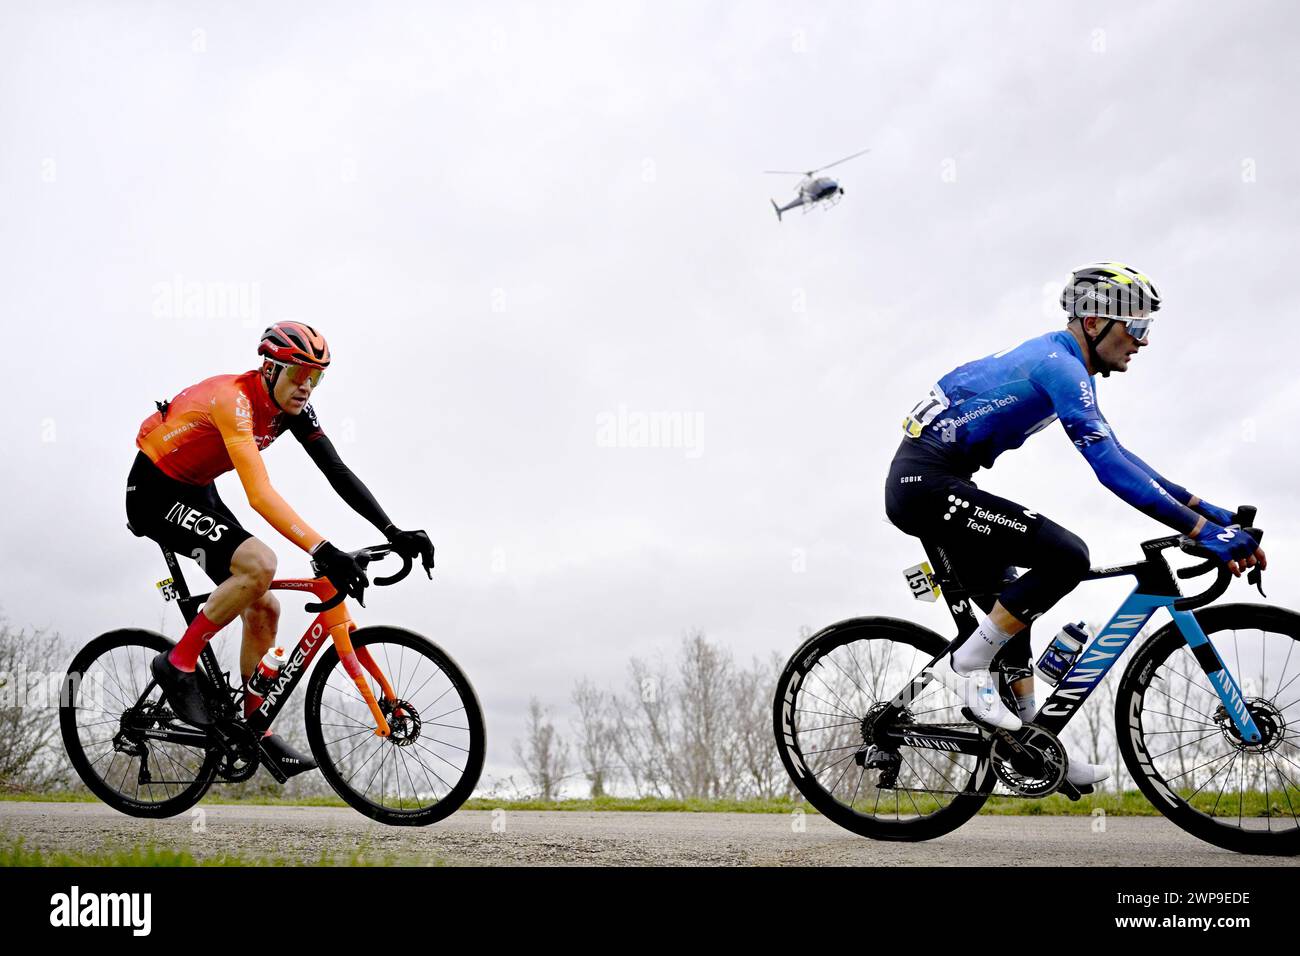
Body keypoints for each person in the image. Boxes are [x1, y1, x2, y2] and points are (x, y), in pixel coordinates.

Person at [884, 262, 1265, 787]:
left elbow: (1122, 456)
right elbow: (1107, 468)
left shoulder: (1062, 361)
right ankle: (966, 668)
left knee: (1014, 604)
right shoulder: (1059, 365)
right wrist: (1202, 533)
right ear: (1093, 323)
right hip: (925, 486)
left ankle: (1032, 745)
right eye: (1136, 326)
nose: (1143, 341)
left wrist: (1208, 513)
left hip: (939, 483)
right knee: (1066, 556)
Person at [126, 321, 435, 778]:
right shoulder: (234, 401)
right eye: (298, 375)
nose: (306, 387)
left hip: (197, 489)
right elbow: (259, 494)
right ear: (270, 369)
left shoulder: (293, 406)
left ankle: (253, 728)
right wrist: (324, 548)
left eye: (317, 377)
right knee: (261, 563)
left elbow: (336, 470)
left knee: (264, 606)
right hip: (154, 492)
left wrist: (393, 530)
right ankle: (178, 663)